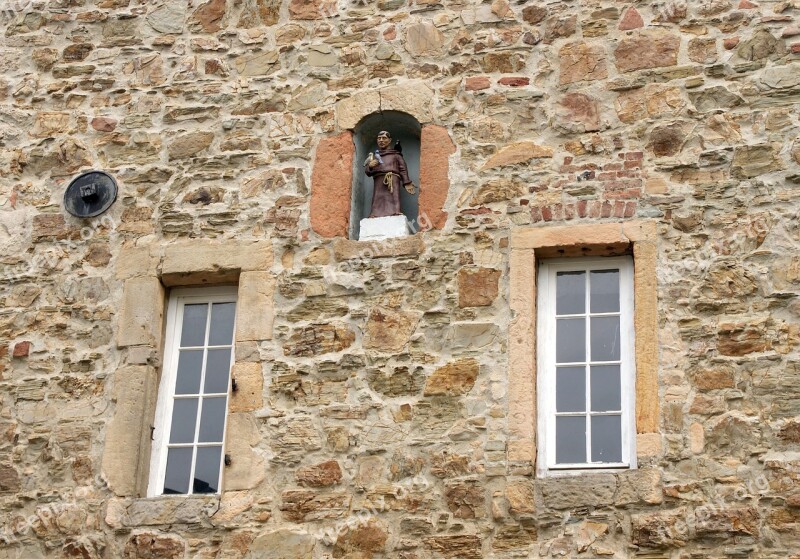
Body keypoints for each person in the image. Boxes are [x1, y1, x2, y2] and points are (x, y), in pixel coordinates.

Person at [364, 130, 416, 218]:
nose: (381, 140)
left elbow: (403, 169)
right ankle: (375, 214)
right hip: (378, 179)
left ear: (389, 140)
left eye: (384, 138)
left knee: (393, 197)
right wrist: (370, 166)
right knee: (378, 197)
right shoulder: (374, 156)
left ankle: (395, 212)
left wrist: (406, 182)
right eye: (379, 138)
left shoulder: (396, 155)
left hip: (392, 179)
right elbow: (368, 172)